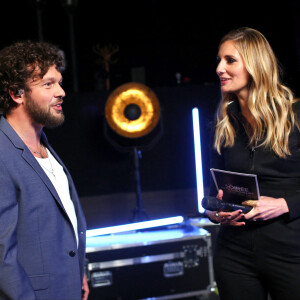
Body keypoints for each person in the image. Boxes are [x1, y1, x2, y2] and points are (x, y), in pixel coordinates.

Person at [206, 27, 300, 300]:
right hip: (234, 253)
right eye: (219, 60)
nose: (219, 68)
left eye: (230, 60)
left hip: (291, 251)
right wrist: (215, 211)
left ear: (256, 65)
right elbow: (214, 190)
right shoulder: (224, 124)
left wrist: (283, 204)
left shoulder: (296, 116)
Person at [0, 40, 89, 299]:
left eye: (59, 82)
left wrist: (76, 273)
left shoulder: (45, 147)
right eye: (48, 84)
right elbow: (2, 251)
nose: (61, 92)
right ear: (17, 94)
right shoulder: (2, 153)